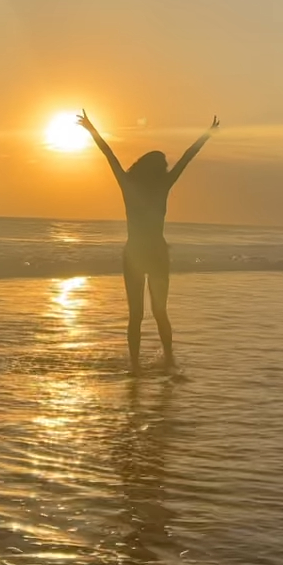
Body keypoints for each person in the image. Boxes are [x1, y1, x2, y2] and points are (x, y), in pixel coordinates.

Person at [77, 111, 219, 374]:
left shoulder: (128, 184)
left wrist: (91, 128)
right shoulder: (163, 185)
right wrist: (207, 134)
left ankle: (134, 366)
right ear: (159, 169)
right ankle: (168, 359)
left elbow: (109, 155)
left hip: (134, 253)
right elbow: (187, 158)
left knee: (136, 315)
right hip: (156, 253)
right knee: (159, 311)